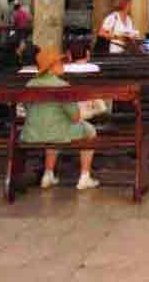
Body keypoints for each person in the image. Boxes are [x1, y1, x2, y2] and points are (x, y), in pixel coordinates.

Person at [19, 46, 99, 190]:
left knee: (53, 130)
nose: (63, 65)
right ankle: (84, 176)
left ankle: (48, 174)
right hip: (56, 133)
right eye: (59, 63)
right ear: (50, 68)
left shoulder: (30, 84)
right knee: (90, 131)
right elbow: (75, 117)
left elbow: (26, 108)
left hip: (31, 133)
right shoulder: (62, 86)